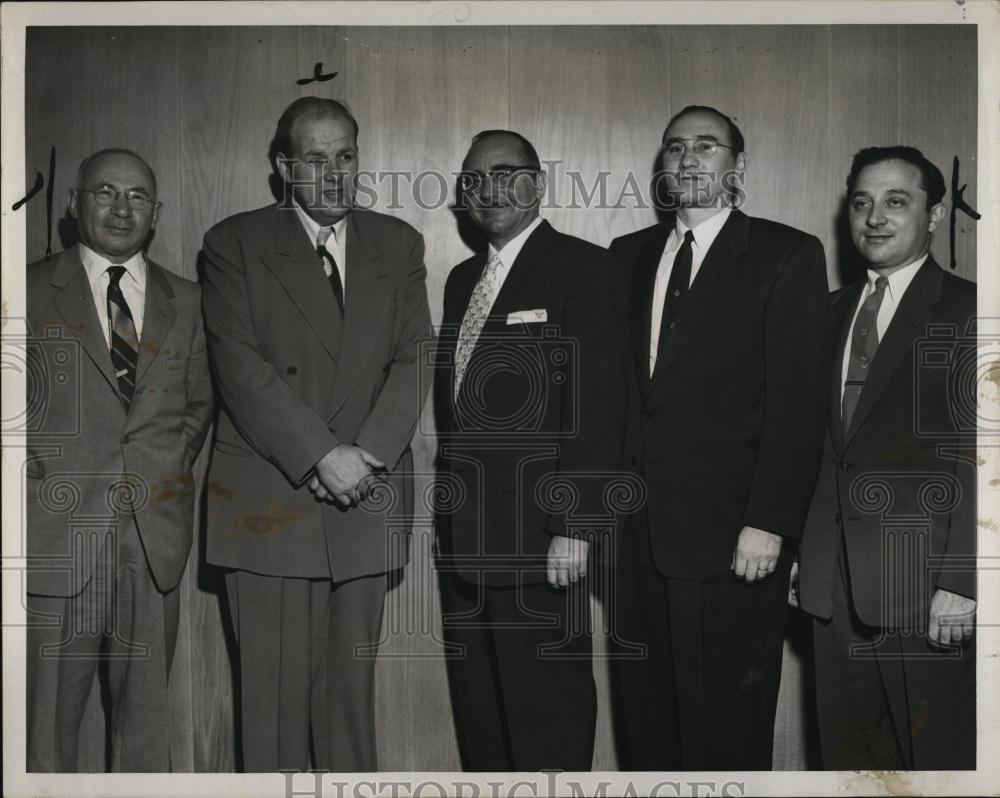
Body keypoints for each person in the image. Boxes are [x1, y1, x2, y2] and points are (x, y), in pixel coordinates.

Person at [201, 96, 431, 772]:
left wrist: (368, 455)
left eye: (346, 157)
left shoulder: (398, 243)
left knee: (349, 713)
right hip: (272, 506)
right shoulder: (234, 243)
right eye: (314, 159)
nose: (334, 174)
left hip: (366, 496)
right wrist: (320, 456)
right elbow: (240, 367)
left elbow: (416, 353)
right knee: (270, 719)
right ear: (282, 167)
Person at [609, 105, 831, 770]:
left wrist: (768, 523)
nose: (688, 159)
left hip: (734, 544)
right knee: (646, 728)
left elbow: (799, 405)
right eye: (675, 147)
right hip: (636, 542)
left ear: (737, 168)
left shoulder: (784, 254)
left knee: (723, 736)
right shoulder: (627, 257)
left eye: (707, 146)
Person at [434, 130, 627, 771]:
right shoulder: (463, 280)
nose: (489, 189)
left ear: (537, 184)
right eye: (474, 179)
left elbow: (598, 409)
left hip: (542, 540)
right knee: (483, 720)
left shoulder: (584, 266)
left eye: (506, 173)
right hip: (466, 541)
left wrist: (575, 527)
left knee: (548, 713)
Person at [25, 148, 212, 771]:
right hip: (56, 538)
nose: (121, 208)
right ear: (75, 203)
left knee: (145, 731)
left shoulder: (187, 301)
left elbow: (195, 410)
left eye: (137, 197)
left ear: (155, 213)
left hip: (152, 539)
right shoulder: (23, 289)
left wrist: (156, 477)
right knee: (44, 732)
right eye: (105, 192)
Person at [796, 146, 977, 770]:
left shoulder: (970, 311)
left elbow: (987, 459)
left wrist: (962, 581)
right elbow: (820, 449)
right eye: (862, 202)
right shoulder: (827, 313)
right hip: (831, 588)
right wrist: (806, 554)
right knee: (848, 766)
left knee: (933, 763)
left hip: (924, 588)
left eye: (896, 202)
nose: (875, 217)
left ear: (933, 215)